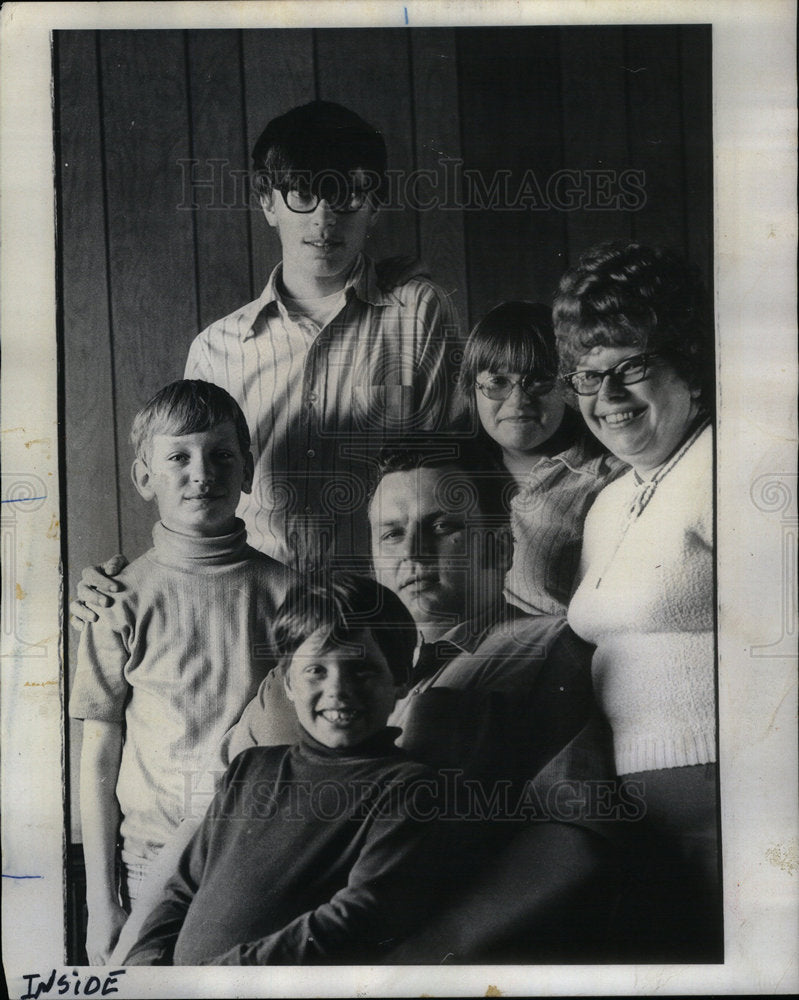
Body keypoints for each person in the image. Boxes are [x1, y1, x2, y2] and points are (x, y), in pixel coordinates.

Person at [205, 440, 622, 962]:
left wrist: (420, 957)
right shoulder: (311, 662)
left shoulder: (549, 652)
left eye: (443, 527)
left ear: (500, 548)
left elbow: (573, 838)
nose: (413, 554)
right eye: (393, 533)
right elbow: (211, 823)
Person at [68, 380, 293, 965]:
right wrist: (102, 903)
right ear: (146, 478)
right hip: (148, 857)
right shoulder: (117, 599)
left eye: (222, 456)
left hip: (258, 858)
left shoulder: (291, 595)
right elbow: (98, 750)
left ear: (247, 469)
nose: (202, 473)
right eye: (179, 457)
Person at [122, 573, 446, 966]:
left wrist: (212, 979)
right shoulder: (250, 768)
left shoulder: (410, 788)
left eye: (361, 670)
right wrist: (144, 965)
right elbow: (182, 886)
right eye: (315, 670)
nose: (339, 690)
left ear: (399, 680)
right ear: (288, 682)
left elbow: (362, 913)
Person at [555, 240, 721, 960]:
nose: (606, 398)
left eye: (631, 368)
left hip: (736, 817)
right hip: (640, 832)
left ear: (687, 360)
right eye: (588, 377)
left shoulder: (733, 461)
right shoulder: (609, 500)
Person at [457, 300, 625, 615]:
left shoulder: (609, 480)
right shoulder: (452, 473)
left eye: (539, 380)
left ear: (568, 385)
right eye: (497, 382)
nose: (519, 400)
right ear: (472, 389)